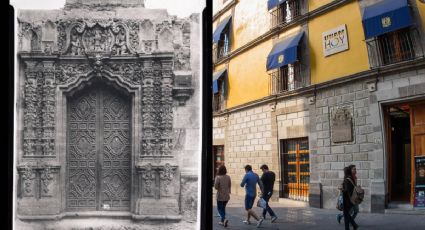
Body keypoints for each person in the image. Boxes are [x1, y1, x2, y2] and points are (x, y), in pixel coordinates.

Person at [342, 165, 359, 230]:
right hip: (350, 199)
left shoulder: (347, 179)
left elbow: (347, 190)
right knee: (347, 214)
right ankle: (353, 225)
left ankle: (350, 227)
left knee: (346, 214)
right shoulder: (351, 178)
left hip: (347, 200)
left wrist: (342, 189)